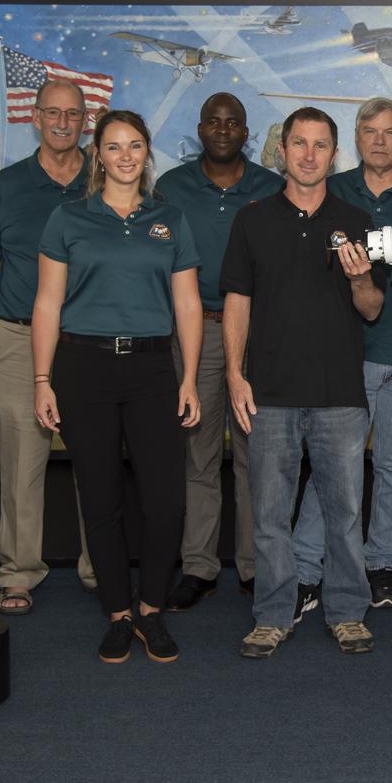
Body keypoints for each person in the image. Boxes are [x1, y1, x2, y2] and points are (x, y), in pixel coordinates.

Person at [33, 109, 203, 665]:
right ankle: (117, 614)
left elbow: (187, 304)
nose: (125, 156)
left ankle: (151, 609)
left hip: (154, 370)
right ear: (97, 155)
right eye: (113, 146)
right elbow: (47, 304)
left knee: (165, 501)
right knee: (100, 498)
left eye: (135, 146)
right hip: (84, 370)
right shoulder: (67, 218)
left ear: (146, 153)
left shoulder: (170, 219)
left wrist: (189, 378)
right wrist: (42, 379)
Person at [221, 107, 384, 659]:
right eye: (299, 143)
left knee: (345, 514)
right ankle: (272, 615)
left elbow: (371, 309)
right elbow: (236, 302)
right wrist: (234, 375)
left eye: (320, 145)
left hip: (339, 394)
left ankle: (346, 613)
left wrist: (361, 278)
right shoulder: (253, 220)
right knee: (269, 515)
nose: (309, 154)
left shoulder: (359, 221)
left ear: (335, 154)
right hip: (268, 393)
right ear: (283, 151)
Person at [291, 98, 392, 613]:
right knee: (333, 468)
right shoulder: (330, 191)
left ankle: (382, 566)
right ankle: (306, 570)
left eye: (390, 132)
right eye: (369, 131)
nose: (380, 141)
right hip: (344, 355)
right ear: (356, 138)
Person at [154, 93, 282, 611]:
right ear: (201, 129)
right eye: (214, 122)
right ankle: (200, 567)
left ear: (246, 132)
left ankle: (255, 566)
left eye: (234, 123)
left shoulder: (272, 187)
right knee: (198, 454)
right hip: (196, 333)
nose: (224, 129)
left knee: (259, 457)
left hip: (260, 334)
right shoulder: (172, 188)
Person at [0, 79, 95, 616]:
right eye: (53, 112)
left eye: (73, 113)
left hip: (92, 341)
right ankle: (19, 571)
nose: (63, 122)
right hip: (21, 337)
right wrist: (33, 305)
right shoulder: (7, 184)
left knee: (97, 458)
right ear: (36, 118)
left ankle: (102, 565)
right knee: (23, 460)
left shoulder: (108, 177)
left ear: (86, 119)